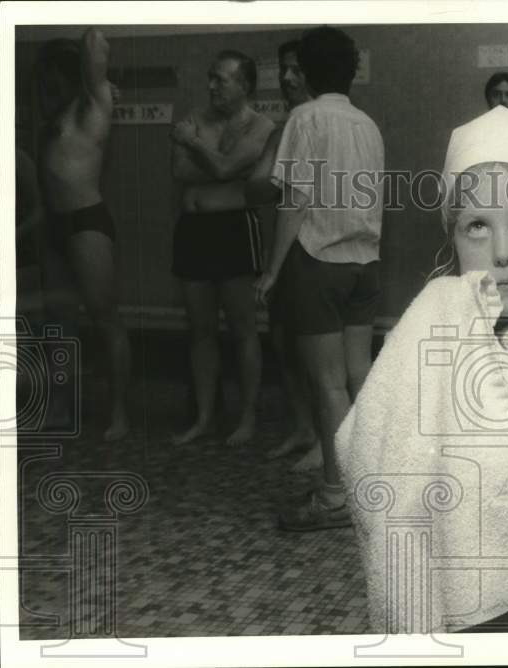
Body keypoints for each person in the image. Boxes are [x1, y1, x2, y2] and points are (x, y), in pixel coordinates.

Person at [336, 105, 508, 633]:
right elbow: (367, 444)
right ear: (453, 237)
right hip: (452, 593)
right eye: (478, 226)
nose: (502, 252)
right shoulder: (429, 328)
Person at [256, 27, 384, 530]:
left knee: (327, 384)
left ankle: (335, 496)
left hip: (318, 263)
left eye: (295, 68)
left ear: (306, 71)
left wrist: (270, 271)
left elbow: (295, 201)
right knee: (358, 378)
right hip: (364, 264)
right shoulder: (367, 124)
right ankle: (366, 486)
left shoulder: (305, 117)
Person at [170, 50, 274, 447]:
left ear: (245, 85)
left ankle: (247, 419)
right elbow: (181, 172)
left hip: (234, 228)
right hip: (193, 228)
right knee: (200, 330)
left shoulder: (261, 126)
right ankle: (205, 417)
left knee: (243, 328)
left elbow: (230, 170)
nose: (212, 85)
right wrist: (216, 161)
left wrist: (196, 146)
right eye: (210, 78)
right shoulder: (195, 118)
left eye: (221, 79)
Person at [36, 29, 131, 441]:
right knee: (57, 322)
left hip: (87, 223)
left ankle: (120, 413)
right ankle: (60, 405)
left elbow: (95, 41)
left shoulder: (93, 103)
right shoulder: (56, 113)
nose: (46, 84)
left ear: (72, 73)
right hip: (56, 225)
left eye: (54, 74)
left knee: (105, 318)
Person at [244, 39, 318, 465]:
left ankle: (326, 442)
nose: (287, 78)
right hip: (286, 251)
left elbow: (270, 184)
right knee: (283, 339)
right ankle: (303, 427)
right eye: (283, 70)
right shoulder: (284, 127)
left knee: (316, 349)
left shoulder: (324, 121)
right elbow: (256, 185)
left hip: (317, 251)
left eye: (296, 69)